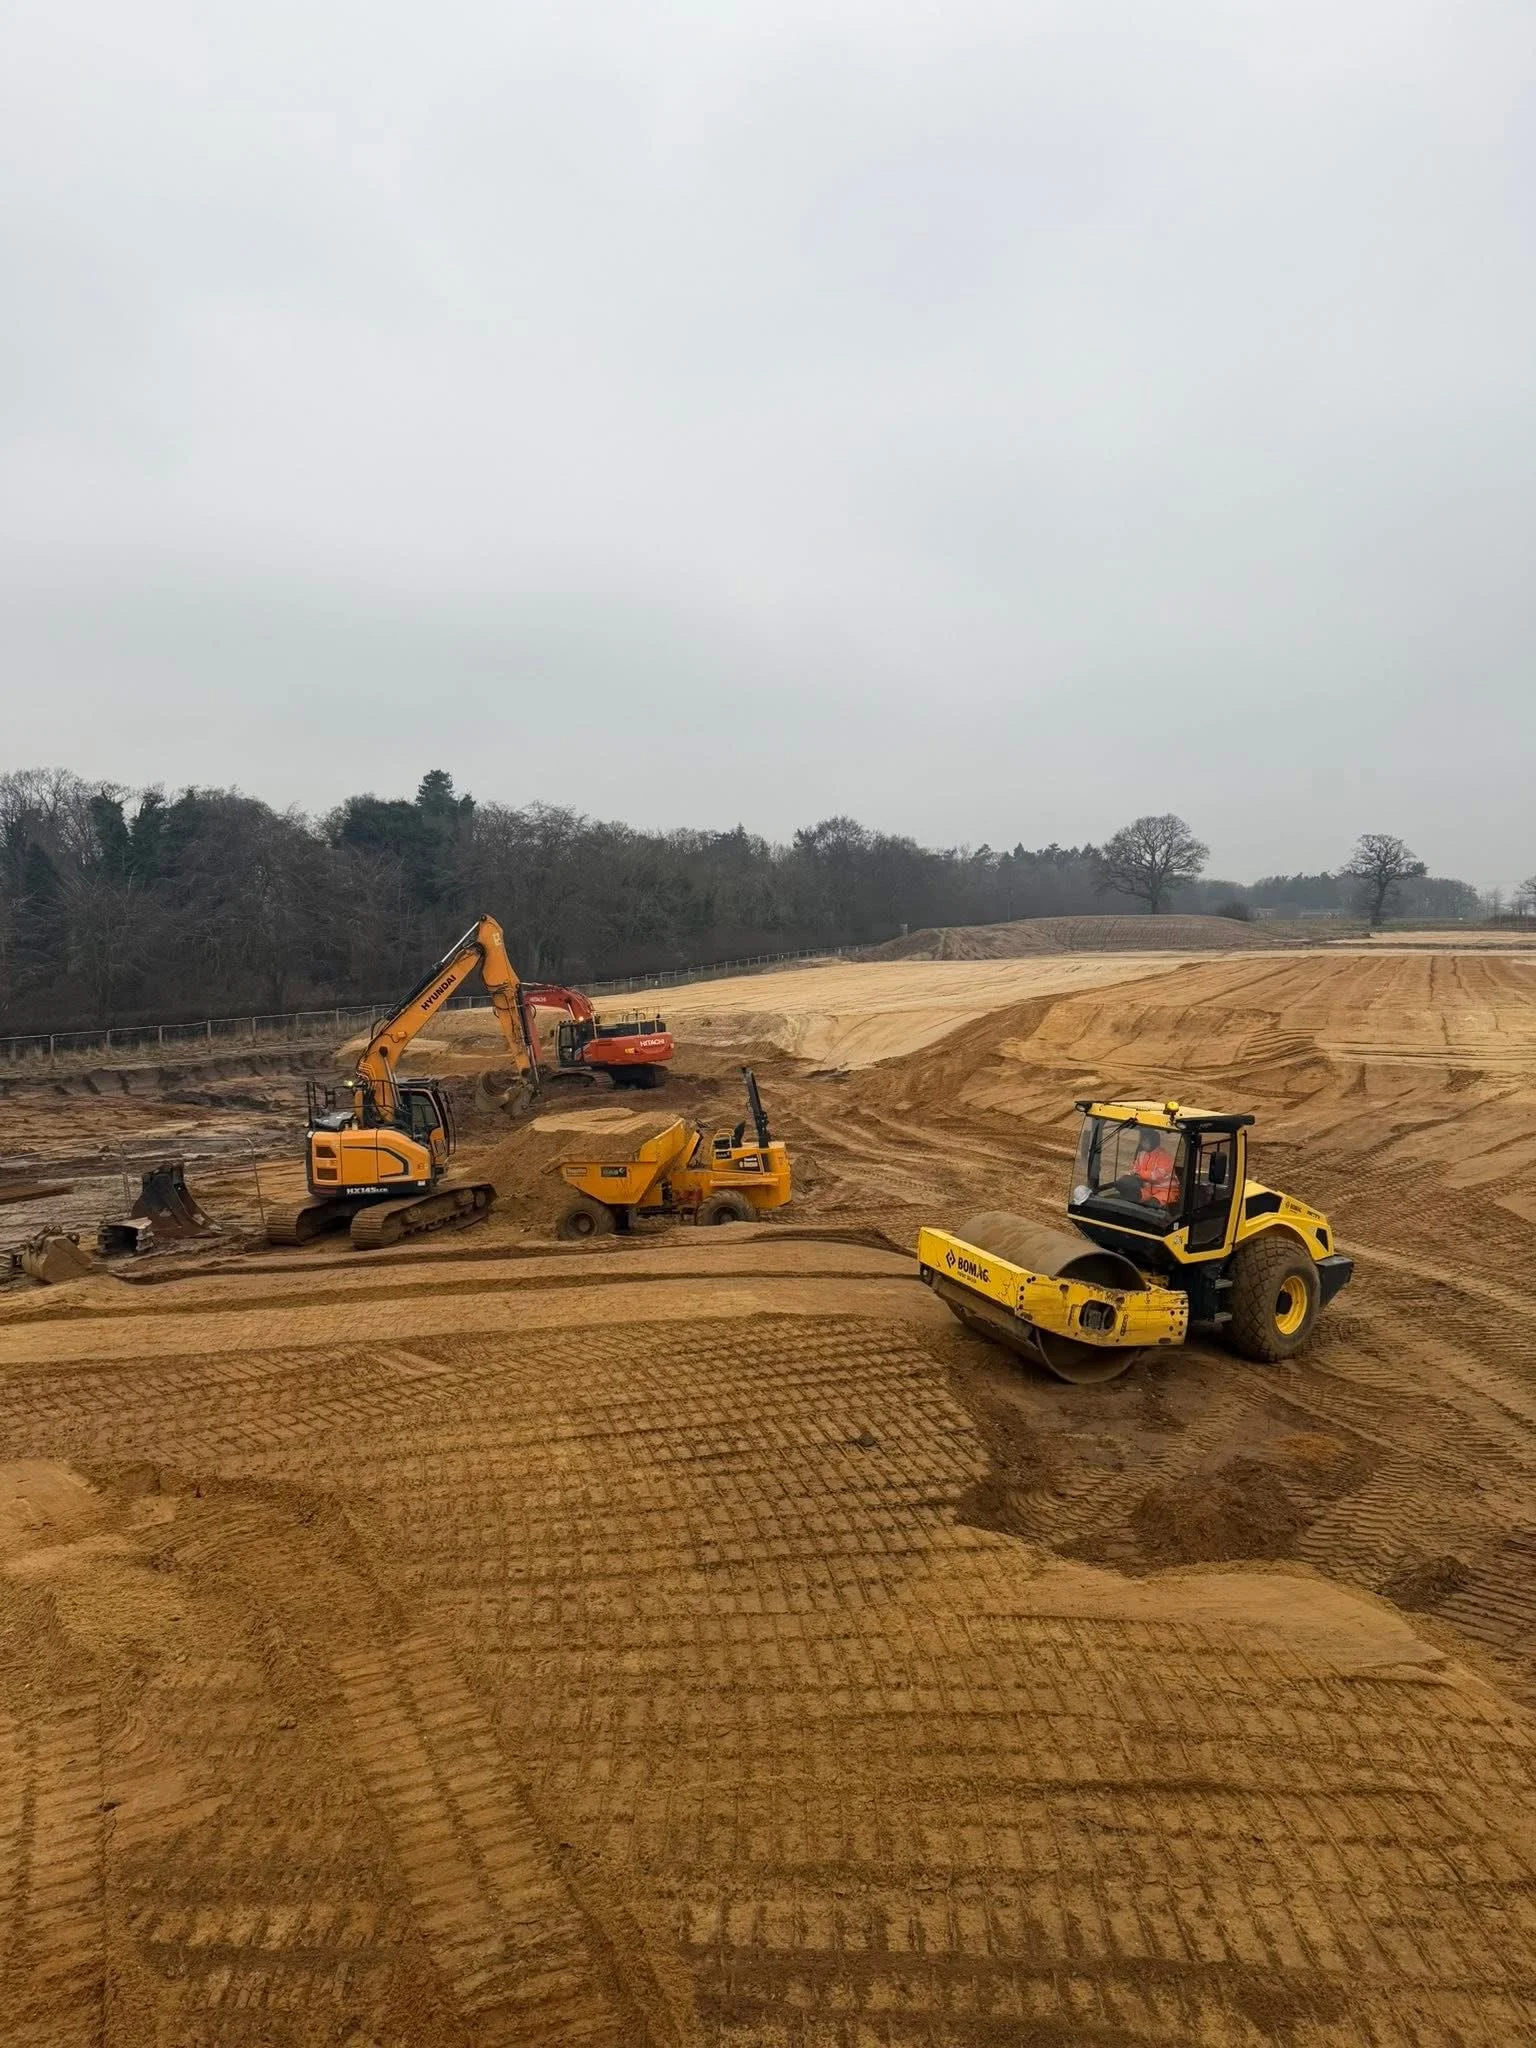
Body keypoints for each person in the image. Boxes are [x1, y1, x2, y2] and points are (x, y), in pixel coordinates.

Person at [1113, 1128, 1181, 1210]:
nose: (1142, 1143)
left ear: (1153, 1142)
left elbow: (1156, 1176)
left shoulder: (1165, 1157)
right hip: (1148, 1189)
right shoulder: (1141, 1154)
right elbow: (1135, 1169)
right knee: (1128, 1197)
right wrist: (1126, 1176)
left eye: (1145, 1141)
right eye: (1142, 1141)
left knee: (1151, 1205)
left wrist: (1139, 1174)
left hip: (1165, 1191)